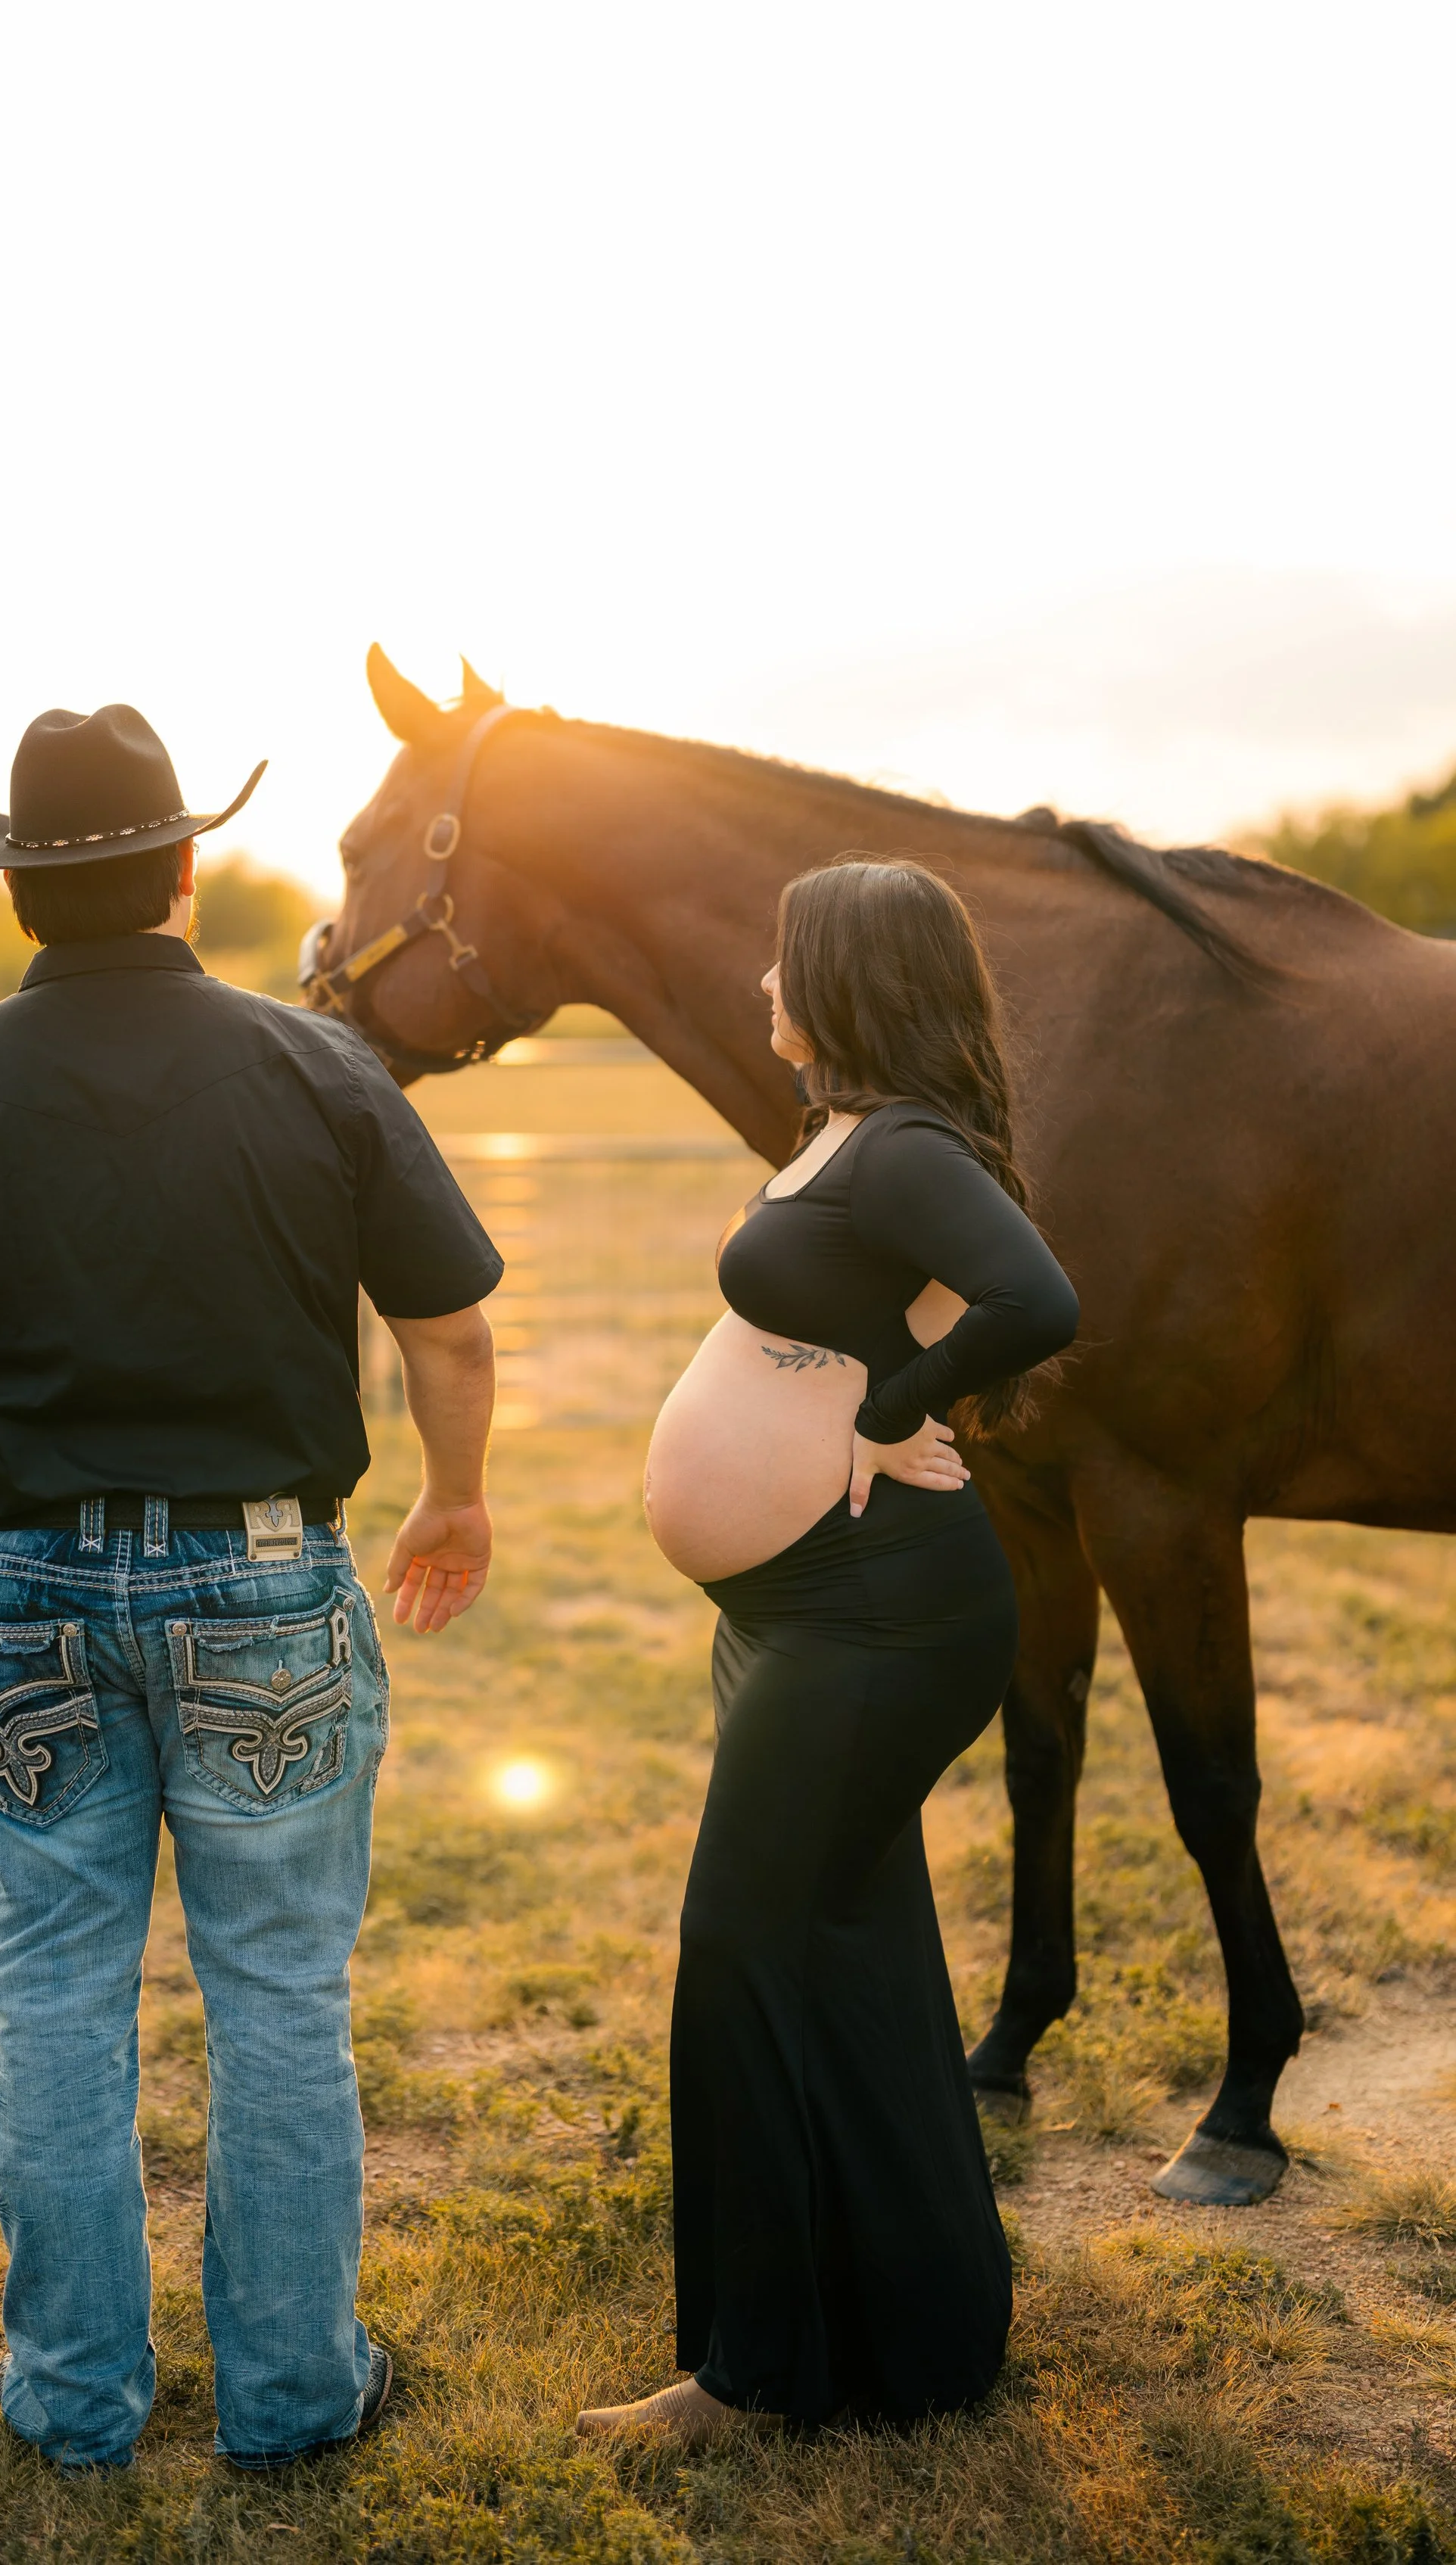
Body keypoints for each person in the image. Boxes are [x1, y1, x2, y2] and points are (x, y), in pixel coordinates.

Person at [0, 703, 501, 2473]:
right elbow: (450, 1327)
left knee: (51, 1996)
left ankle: (73, 2400)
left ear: (22, 895)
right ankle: (285, 2394)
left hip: (27, 1586)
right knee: (276, 1996)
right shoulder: (318, 1072)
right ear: (186, 870)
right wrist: (453, 1497)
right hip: (262, 1576)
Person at [579, 858, 1078, 2441]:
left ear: (847, 982)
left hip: (879, 1615)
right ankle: (918, 2331)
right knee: (844, 1938)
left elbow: (1035, 1297)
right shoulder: (845, 1138)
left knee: (738, 1942)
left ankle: (751, 2372)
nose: (762, 988)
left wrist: (888, 1408)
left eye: (785, 964)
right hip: (802, 1610)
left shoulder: (908, 1149)